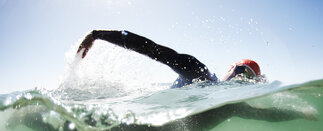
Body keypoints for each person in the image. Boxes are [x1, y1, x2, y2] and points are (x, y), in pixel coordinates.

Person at [77, 29, 261, 88]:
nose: (241, 78)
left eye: (250, 78)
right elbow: (152, 50)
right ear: (231, 68)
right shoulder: (198, 71)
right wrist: (97, 35)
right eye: (241, 70)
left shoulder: (227, 103)